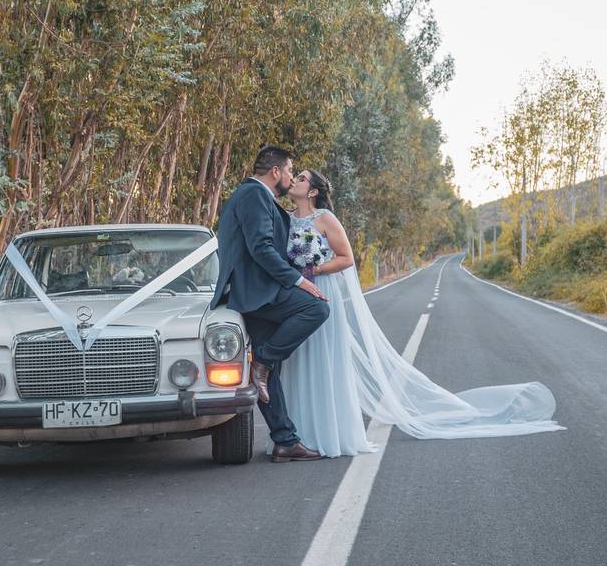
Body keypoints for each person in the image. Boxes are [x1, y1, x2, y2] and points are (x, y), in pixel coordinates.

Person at [279, 170, 565, 457]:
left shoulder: (325, 219)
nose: (295, 180)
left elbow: (346, 258)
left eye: (301, 178)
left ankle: (329, 436)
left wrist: (313, 269)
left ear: (313, 191)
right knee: (299, 358)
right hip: (297, 294)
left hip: (322, 291)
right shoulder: (287, 218)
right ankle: (298, 436)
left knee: (324, 360)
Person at [210, 147, 331, 463]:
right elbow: (261, 247)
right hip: (259, 292)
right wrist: (299, 281)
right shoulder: (254, 194)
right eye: (290, 170)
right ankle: (260, 363)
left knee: (269, 376)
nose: (291, 177)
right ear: (276, 171)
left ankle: (284, 441)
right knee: (316, 309)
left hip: (255, 292)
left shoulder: (255, 196)